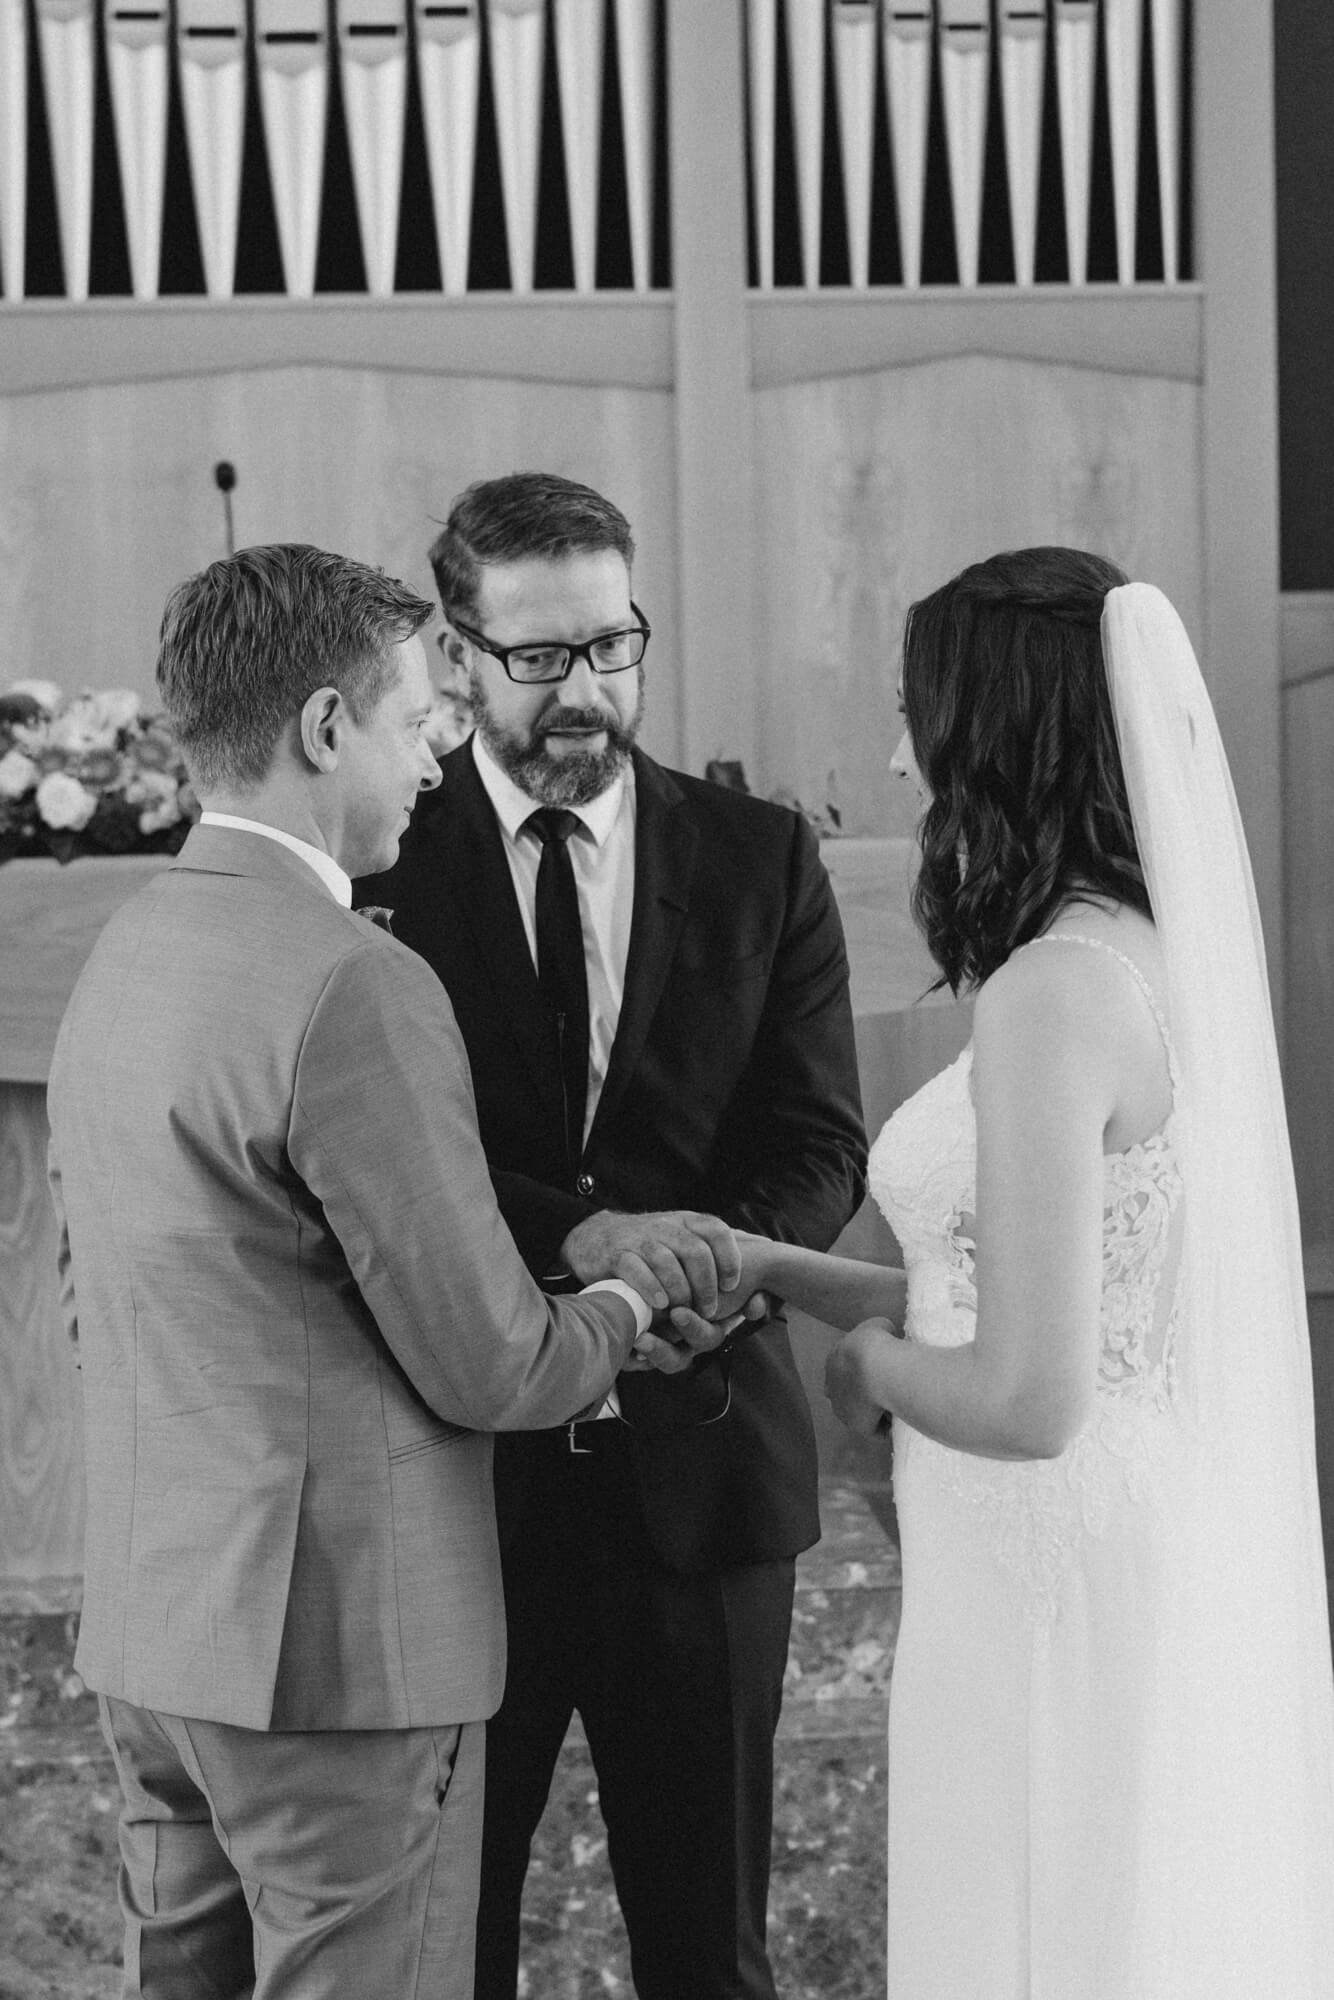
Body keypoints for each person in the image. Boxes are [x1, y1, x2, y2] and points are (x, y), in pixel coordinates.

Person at [46, 543, 726, 2000]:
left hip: (166, 1637)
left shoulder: (131, 948)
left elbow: (84, 1293)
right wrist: (623, 1303)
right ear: (322, 727)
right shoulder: (352, 976)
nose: (439, 759)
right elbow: (493, 1365)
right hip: (340, 1662)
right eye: (420, 720)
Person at [725, 548, 1334, 1996]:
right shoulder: (1133, 949)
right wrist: (774, 1268)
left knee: (1038, 1922)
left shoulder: (1049, 994)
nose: (893, 753)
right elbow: (1018, 1295)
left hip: (1043, 1547)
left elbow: (1028, 1393)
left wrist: (861, 1371)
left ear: (993, 732)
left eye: (912, 714)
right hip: (1090, 1523)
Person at [357, 471, 867, 2000]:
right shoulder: (385, 855)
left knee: (710, 1956)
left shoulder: (756, 853)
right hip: (460, 1488)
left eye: (611, 644)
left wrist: (710, 1267)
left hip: (702, 1479)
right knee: (447, 1953)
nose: (585, 690)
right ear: (454, 657)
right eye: (538, 656)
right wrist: (595, 1243)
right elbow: (395, 1159)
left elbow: (814, 1137)